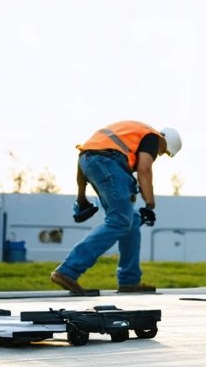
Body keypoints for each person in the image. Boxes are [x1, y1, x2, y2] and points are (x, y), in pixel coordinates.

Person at [51, 122, 182, 294]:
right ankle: (68, 270)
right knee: (119, 222)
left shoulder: (118, 141)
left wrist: (81, 198)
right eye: (164, 151)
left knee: (132, 220)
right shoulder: (153, 137)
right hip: (108, 163)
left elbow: (84, 160)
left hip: (93, 162)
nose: (160, 153)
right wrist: (150, 203)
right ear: (165, 141)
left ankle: (129, 280)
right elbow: (144, 169)